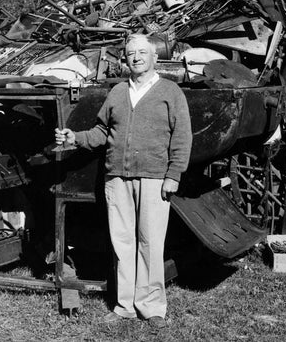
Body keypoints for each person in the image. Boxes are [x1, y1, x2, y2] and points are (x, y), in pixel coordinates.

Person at [55, 33, 192, 329]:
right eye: (131, 53)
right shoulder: (117, 91)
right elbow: (102, 133)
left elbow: (182, 137)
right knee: (122, 242)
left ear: (155, 57)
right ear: (125, 59)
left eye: (143, 52)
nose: (137, 57)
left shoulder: (170, 91)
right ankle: (125, 305)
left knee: (151, 242)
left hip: (155, 178)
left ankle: (152, 305)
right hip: (117, 178)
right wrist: (75, 137)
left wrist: (173, 175)